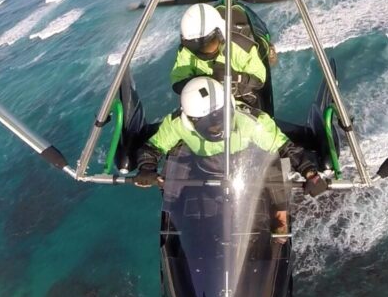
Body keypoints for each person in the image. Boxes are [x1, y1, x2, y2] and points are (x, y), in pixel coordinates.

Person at [134, 77, 328, 242]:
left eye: (219, 119)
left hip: (247, 165)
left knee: (273, 167)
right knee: (192, 215)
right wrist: (147, 167)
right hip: (204, 167)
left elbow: (286, 147)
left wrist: (310, 173)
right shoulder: (177, 123)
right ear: (191, 120)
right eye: (208, 124)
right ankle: (179, 230)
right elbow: (152, 148)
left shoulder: (252, 121)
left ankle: (280, 219)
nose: (216, 128)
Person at [170, 3, 268, 109]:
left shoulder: (241, 47)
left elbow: (259, 79)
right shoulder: (186, 52)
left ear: (221, 35)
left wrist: (235, 80)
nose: (202, 52)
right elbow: (178, 81)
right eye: (194, 47)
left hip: (238, 103)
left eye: (208, 45)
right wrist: (207, 80)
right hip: (204, 104)